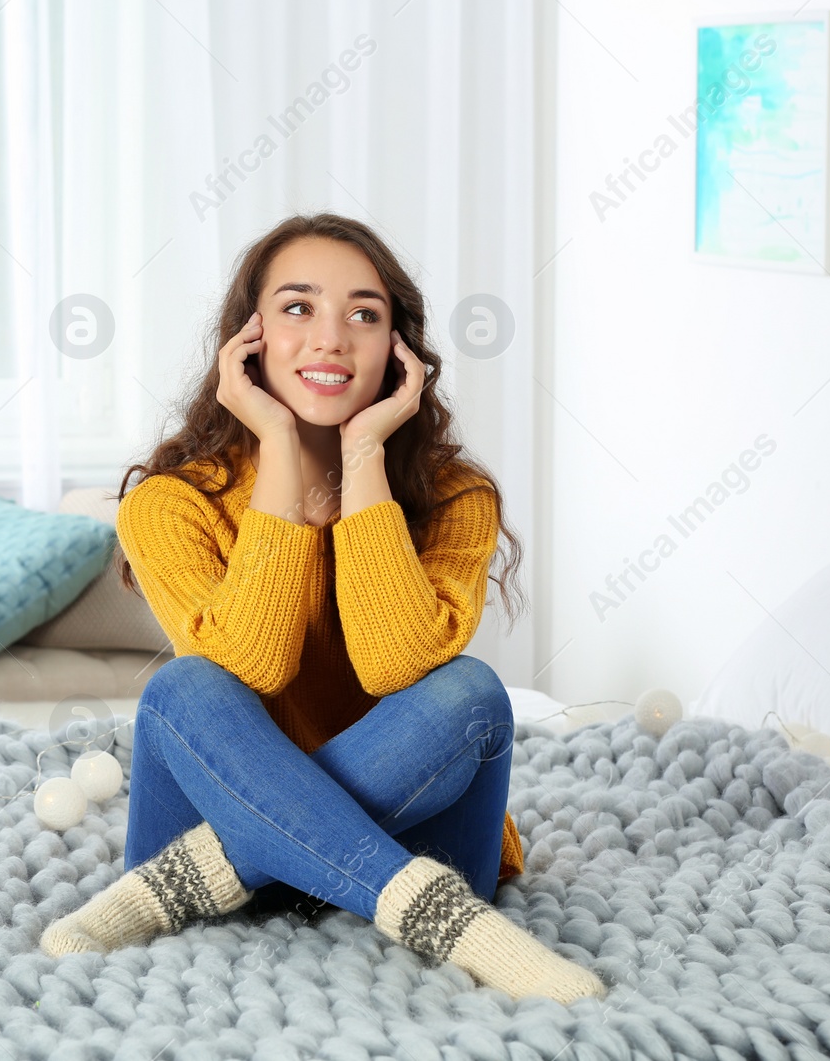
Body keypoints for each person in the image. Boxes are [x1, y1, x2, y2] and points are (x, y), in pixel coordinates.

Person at [38, 213, 605, 1004]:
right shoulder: (169, 504)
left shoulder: (454, 496)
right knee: (184, 689)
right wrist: (275, 444)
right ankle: (451, 923)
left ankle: (214, 873)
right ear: (249, 338)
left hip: (401, 831)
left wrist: (365, 454)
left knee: (470, 693)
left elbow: (395, 664)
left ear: (399, 352)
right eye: (298, 308)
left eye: (364, 314)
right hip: (226, 814)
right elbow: (253, 663)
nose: (331, 338)